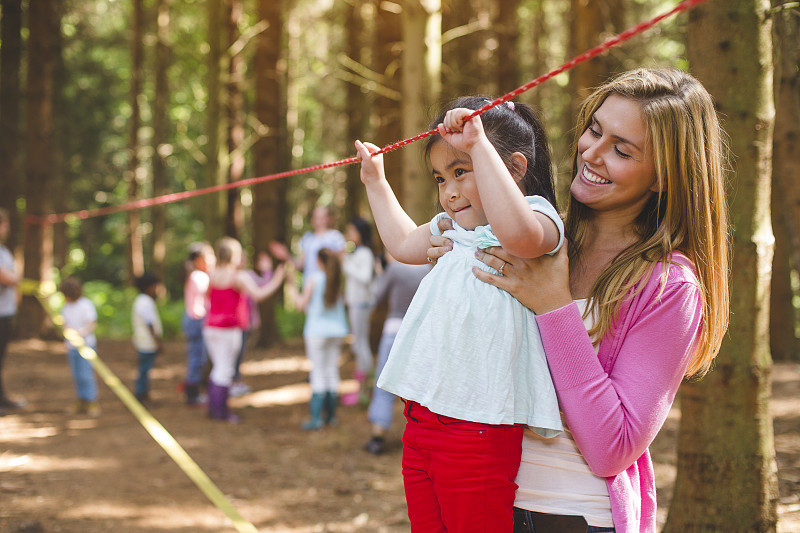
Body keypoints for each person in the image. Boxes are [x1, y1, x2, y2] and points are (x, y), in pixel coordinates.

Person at [429, 68, 730, 533]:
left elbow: (613, 447)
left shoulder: (670, 286)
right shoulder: (534, 235)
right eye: (594, 130)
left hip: (573, 514)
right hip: (481, 498)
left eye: (622, 149)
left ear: (662, 178)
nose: (592, 153)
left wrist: (554, 306)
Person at [355, 95, 565, 532]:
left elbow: (520, 235)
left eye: (460, 171)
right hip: (422, 422)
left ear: (515, 169)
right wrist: (375, 180)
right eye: (440, 178)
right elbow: (400, 243)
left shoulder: (538, 217)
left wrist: (479, 147)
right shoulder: (453, 229)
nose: (448, 191)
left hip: (480, 429)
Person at [203, 237, 285, 422]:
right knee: (224, 370)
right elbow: (259, 294)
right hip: (229, 329)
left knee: (218, 368)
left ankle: (214, 408)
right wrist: (277, 279)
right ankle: (221, 411)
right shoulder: (238, 277)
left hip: (211, 328)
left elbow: (207, 297)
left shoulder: (212, 275)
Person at [363, 252, 430, 455]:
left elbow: (378, 296)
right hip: (419, 331)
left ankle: (378, 435)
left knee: (384, 382)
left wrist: (379, 274)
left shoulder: (394, 269)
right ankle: (423, 434)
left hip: (394, 329)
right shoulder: (426, 269)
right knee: (419, 386)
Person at [286, 248, 349, 431]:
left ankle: (316, 418)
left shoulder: (314, 279)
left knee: (318, 372)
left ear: (319, 261)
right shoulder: (337, 279)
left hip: (317, 332)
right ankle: (331, 416)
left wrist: (291, 286)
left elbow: (300, 305)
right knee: (331, 371)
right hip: (337, 331)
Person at [341, 216, 375, 406]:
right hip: (356, 304)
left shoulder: (365, 254)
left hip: (361, 304)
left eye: (352, 231)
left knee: (360, 344)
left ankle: (365, 390)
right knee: (358, 344)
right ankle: (362, 388)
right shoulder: (358, 253)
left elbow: (365, 278)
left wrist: (346, 263)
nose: (349, 235)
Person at [231, 250, 274, 397]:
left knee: (241, 352)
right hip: (232, 323)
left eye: (243, 258)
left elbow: (262, 287)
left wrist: (268, 271)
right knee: (233, 353)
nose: (241, 261)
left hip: (246, 321)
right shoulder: (228, 276)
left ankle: (235, 380)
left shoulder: (248, 275)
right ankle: (231, 382)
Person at [270, 205, 346, 287]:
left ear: (328, 218)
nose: (319, 220)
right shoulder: (307, 238)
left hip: (330, 288)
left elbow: (342, 262)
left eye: (322, 217)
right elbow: (300, 265)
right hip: (309, 288)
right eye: (316, 217)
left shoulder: (336, 237)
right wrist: (286, 255)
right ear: (312, 219)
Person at [59, 277, 101, 417]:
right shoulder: (66, 307)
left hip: (86, 346)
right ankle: (81, 400)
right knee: (76, 375)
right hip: (71, 347)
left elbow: (92, 322)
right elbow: (64, 323)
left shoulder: (85, 305)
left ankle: (92, 402)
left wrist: (82, 332)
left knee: (86, 375)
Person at [181, 242, 215, 405]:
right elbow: (210, 292)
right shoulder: (199, 276)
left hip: (197, 320)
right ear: (198, 259)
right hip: (196, 321)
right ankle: (192, 394)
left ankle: (196, 390)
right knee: (197, 358)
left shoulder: (197, 275)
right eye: (209, 256)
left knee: (199, 358)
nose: (212, 259)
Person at [0, 208, 23, 415]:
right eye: (4, 224)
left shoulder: (4, 251)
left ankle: (2, 397)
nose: (6, 228)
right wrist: (15, 278)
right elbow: (7, 278)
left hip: (5, 313)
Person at [132, 272, 163, 403]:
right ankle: (141, 394)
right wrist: (158, 342)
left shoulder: (140, 301)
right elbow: (150, 324)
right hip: (147, 343)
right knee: (145, 369)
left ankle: (143, 393)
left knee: (145, 368)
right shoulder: (145, 302)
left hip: (143, 341)